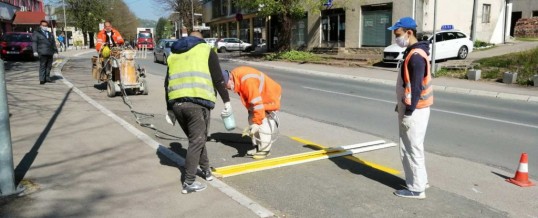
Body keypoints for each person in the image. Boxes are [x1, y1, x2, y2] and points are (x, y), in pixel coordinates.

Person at [164, 31, 232, 194]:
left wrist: (168, 108)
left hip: (177, 104)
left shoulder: (173, 54)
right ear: (200, 40)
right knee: (197, 140)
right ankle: (189, 182)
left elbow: (167, 83)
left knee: (197, 139)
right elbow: (218, 79)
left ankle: (206, 170)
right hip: (197, 102)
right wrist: (227, 101)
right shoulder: (206, 50)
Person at [388, 17, 433, 199]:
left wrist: (408, 111)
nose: (396, 38)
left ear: (409, 33)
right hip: (415, 108)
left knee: (410, 148)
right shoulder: (414, 51)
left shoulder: (415, 57)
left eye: (397, 34)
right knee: (415, 147)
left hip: (415, 110)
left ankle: (416, 189)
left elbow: (415, 88)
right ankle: (421, 181)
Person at [223, 66, 281, 159]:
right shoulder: (236, 77)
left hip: (269, 96)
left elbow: (257, 103)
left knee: (263, 122)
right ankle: (257, 146)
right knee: (252, 119)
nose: (227, 88)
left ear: (230, 78)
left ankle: (265, 150)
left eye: (226, 86)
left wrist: (257, 122)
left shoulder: (247, 80)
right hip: (260, 97)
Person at [32, 20, 58, 85]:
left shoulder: (50, 34)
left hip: (50, 52)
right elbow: (34, 42)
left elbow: (53, 43)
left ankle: (47, 78)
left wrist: (55, 52)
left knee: (49, 66)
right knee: (43, 66)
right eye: (43, 25)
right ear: (40, 26)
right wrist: (35, 51)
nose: (45, 27)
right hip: (42, 52)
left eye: (46, 25)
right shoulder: (36, 33)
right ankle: (42, 79)